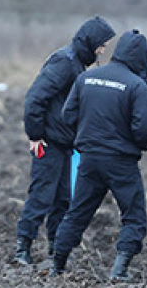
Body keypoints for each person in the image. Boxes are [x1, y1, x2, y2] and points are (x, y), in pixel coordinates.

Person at [48, 30, 147, 281]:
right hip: (121, 162)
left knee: (77, 213)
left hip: (88, 158)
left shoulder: (87, 78)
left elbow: (68, 115)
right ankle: (119, 271)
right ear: (143, 57)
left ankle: (57, 265)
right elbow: (145, 130)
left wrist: (87, 137)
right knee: (134, 215)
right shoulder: (137, 86)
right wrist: (135, 144)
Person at [15, 16, 116, 266]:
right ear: (91, 42)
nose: (102, 51)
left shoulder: (78, 65)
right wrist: (35, 135)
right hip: (47, 143)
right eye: (101, 45)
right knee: (41, 196)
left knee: (62, 200)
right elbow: (35, 98)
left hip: (65, 146)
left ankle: (54, 250)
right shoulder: (64, 62)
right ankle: (22, 250)